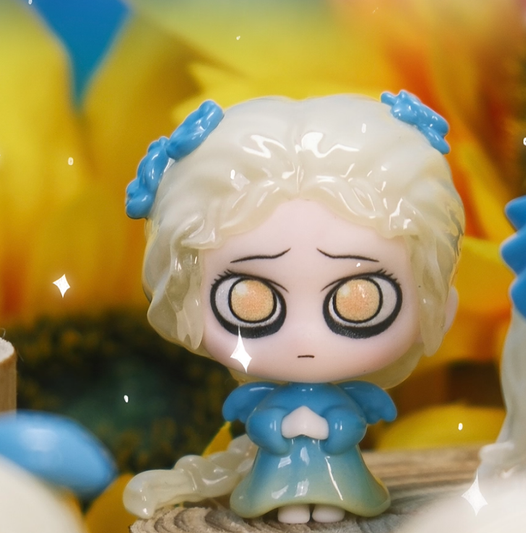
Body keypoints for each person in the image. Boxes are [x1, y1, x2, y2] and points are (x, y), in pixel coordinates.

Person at [124, 91, 464, 523]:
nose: (306, 339)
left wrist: (329, 427)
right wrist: (280, 428)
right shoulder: (265, 400)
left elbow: (352, 426)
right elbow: (259, 426)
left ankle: (334, 499)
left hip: (339, 474)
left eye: (360, 300)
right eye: (249, 300)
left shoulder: (344, 399)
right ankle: (284, 499)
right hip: (274, 475)